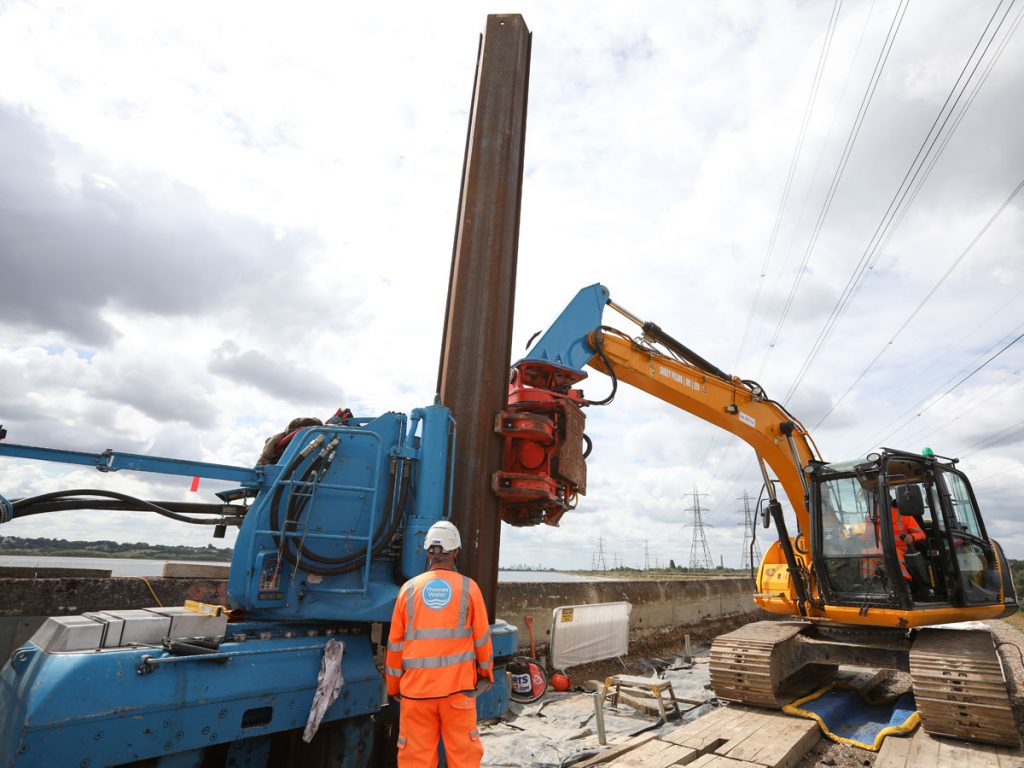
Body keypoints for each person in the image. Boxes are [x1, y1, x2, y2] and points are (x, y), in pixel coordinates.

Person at [385, 521, 494, 767]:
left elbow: (395, 645)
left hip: (416, 695)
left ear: (427, 553)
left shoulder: (408, 590)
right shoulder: (469, 588)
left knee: (415, 760)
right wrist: (485, 674)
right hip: (458, 693)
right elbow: (482, 640)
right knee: (464, 758)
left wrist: (394, 687)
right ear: (455, 552)